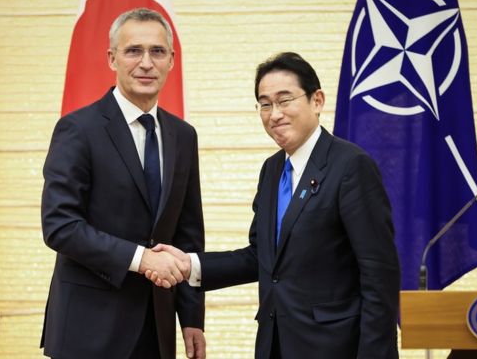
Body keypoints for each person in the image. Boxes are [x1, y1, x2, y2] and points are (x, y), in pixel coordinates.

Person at [148, 52, 400, 358]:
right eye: (265, 104)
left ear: (317, 100)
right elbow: (261, 257)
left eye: (285, 100)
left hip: (334, 347)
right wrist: (191, 266)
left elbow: (379, 275)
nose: (274, 114)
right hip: (275, 344)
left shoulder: (350, 166)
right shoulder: (272, 171)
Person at [40, 8, 205, 359]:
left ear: (171, 61)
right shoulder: (78, 130)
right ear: (112, 58)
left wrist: (192, 318)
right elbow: (60, 226)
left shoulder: (183, 136)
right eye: (134, 51)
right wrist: (141, 259)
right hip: (88, 332)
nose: (146, 62)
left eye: (157, 52)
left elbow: (188, 235)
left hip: (156, 331)